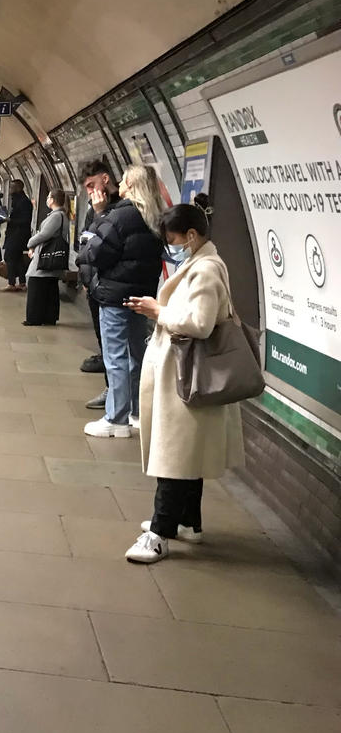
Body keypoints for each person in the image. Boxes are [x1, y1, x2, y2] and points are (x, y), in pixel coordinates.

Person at [121, 204, 245, 562]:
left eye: (173, 239)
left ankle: (159, 535)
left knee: (173, 456)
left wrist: (157, 311)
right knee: (189, 453)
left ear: (191, 235)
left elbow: (200, 324)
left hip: (187, 379)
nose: (171, 246)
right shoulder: (201, 263)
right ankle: (189, 522)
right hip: (186, 376)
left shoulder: (205, 270)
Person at [77, 164, 164, 438]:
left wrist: (99, 215)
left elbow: (94, 251)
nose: (121, 185)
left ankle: (116, 419)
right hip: (142, 297)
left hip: (115, 296)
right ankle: (136, 412)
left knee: (115, 357)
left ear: (132, 185)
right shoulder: (155, 217)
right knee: (136, 354)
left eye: (124, 181)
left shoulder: (119, 215)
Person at [77, 159, 120, 407]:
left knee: (118, 348)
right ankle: (111, 390)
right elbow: (86, 242)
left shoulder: (120, 209)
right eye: (87, 188)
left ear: (105, 179)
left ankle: (117, 397)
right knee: (104, 341)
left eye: (92, 185)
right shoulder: (93, 210)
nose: (90, 191)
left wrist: (101, 213)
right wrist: (85, 277)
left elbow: (104, 246)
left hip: (112, 285)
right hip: (95, 285)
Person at [22, 188, 70, 325]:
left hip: (45, 257)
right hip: (52, 257)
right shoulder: (62, 215)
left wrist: (30, 243)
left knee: (36, 285)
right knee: (50, 288)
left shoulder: (56, 216)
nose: (47, 199)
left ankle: (34, 318)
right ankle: (49, 317)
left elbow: (45, 234)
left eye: (48, 197)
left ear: (52, 200)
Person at [0, 179, 32, 292]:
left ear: (18, 188)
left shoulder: (24, 202)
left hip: (18, 235)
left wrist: (10, 220)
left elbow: (25, 220)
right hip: (16, 234)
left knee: (10, 257)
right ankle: (22, 283)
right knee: (18, 259)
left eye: (12, 187)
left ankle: (11, 283)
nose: (10, 189)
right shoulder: (18, 200)